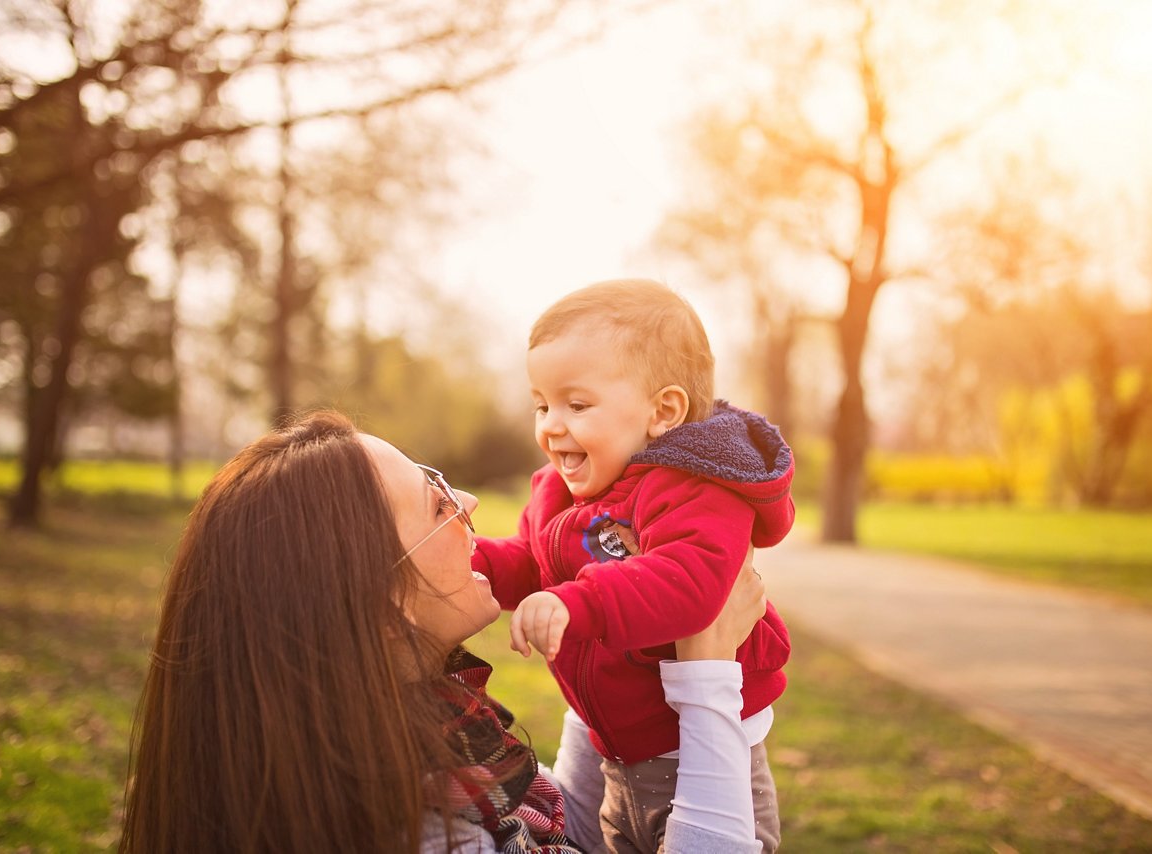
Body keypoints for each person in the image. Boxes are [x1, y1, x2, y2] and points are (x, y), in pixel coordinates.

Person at [119, 409, 770, 853]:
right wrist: (706, 678)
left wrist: (616, 641)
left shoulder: (417, 734)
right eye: (436, 503)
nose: (468, 504)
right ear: (377, 603)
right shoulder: (428, 836)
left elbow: (572, 827)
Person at [472, 279, 795, 853]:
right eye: (541, 404)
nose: (549, 424)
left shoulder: (696, 489)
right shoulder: (556, 492)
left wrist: (578, 600)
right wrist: (467, 562)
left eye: (576, 404)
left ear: (662, 411)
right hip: (617, 754)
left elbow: (686, 582)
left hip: (700, 751)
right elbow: (529, 562)